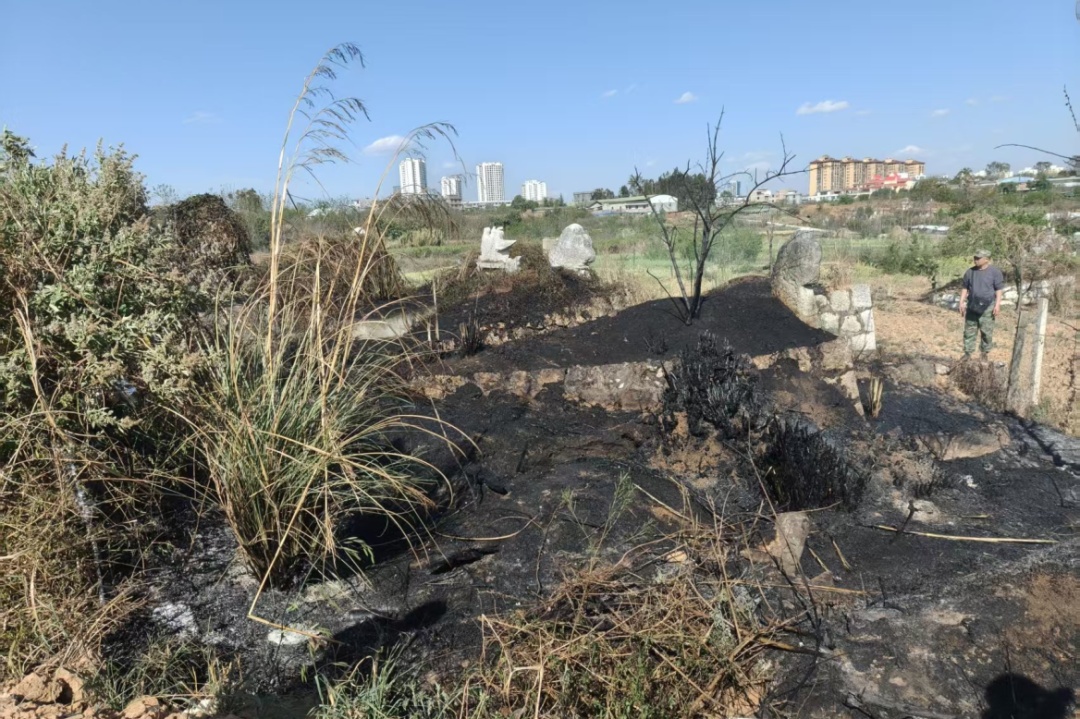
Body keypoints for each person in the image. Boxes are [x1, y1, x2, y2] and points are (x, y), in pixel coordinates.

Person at [958, 249, 1005, 359]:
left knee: (986, 332)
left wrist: (997, 305)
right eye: (975, 257)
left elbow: (998, 290)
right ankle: (967, 353)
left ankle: (984, 354)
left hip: (988, 306)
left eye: (978, 258)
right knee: (969, 330)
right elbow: (965, 288)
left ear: (986, 260)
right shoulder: (970, 272)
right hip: (972, 305)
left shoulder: (995, 272)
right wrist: (961, 302)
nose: (975, 260)